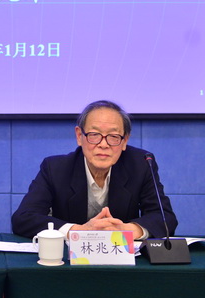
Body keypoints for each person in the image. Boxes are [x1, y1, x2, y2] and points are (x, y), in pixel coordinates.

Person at [11, 100, 177, 240]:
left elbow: (165, 218)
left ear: (125, 140)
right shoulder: (55, 168)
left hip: (120, 257)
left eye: (113, 136)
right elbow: (23, 218)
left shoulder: (141, 164)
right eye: (94, 135)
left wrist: (128, 230)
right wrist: (78, 231)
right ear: (79, 136)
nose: (103, 144)